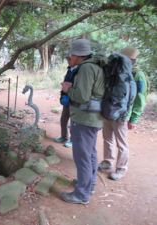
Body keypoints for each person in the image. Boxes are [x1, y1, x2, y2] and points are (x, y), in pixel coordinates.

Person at [60, 39, 108, 205]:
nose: (70, 57)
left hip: (84, 118)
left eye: (71, 54)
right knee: (90, 153)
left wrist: (67, 88)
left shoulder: (87, 67)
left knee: (82, 157)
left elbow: (81, 96)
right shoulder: (96, 65)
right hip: (92, 118)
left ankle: (81, 194)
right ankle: (90, 184)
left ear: (77, 55)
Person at [99, 46, 147, 181]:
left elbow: (140, 98)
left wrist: (134, 118)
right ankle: (107, 162)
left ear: (131, 59)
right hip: (109, 112)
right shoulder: (115, 69)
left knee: (122, 143)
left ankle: (121, 168)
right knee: (107, 139)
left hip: (124, 115)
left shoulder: (138, 74)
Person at [54, 54, 77, 148]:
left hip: (74, 99)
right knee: (63, 119)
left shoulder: (79, 70)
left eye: (70, 59)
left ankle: (72, 140)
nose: (68, 61)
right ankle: (64, 137)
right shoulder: (69, 69)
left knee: (73, 121)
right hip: (66, 97)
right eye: (67, 59)